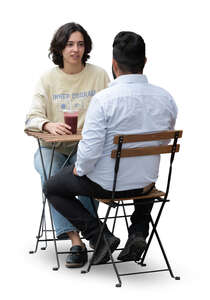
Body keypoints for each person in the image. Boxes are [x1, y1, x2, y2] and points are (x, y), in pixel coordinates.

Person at [43, 31, 178, 265]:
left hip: (109, 186)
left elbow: (90, 152)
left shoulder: (104, 100)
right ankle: (138, 231)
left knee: (52, 186)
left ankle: (99, 236)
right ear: (144, 62)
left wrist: (80, 168)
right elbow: (162, 142)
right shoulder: (166, 98)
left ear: (114, 64)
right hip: (145, 185)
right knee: (141, 173)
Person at [25, 22, 110, 268]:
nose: (75, 49)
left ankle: (94, 234)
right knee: (51, 175)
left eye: (80, 44)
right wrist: (47, 125)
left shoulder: (99, 75)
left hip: (85, 149)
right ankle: (76, 242)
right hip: (52, 148)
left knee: (85, 173)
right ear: (59, 48)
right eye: (70, 44)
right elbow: (31, 117)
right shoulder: (47, 79)